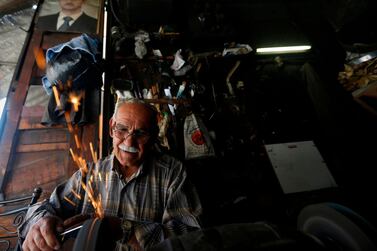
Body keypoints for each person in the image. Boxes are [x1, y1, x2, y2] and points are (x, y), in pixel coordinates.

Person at [18, 98, 202, 251]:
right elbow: (44, 208)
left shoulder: (172, 173)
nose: (129, 141)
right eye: (122, 129)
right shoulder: (89, 174)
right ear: (111, 127)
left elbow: (191, 238)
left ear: (153, 135)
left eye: (141, 133)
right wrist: (41, 221)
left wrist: (122, 229)